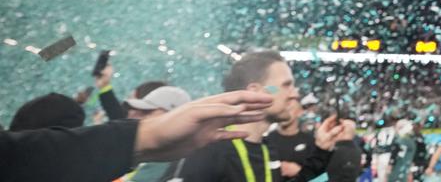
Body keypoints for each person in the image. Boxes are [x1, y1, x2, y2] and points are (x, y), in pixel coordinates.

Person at [0, 89, 273, 182]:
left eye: (147, 112)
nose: (133, 117)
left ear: (171, 115)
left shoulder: (204, 157)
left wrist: (144, 138)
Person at [168, 50, 352, 182]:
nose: (294, 94)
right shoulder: (210, 149)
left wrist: (321, 149)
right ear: (255, 92)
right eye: (286, 85)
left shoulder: (265, 147)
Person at [265, 97, 318, 182]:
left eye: (290, 109)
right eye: (282, 109)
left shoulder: (310, 141)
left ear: (300, 112)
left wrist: (299, 171)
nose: (284, 113)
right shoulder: (266, 141)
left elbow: (320, 175)